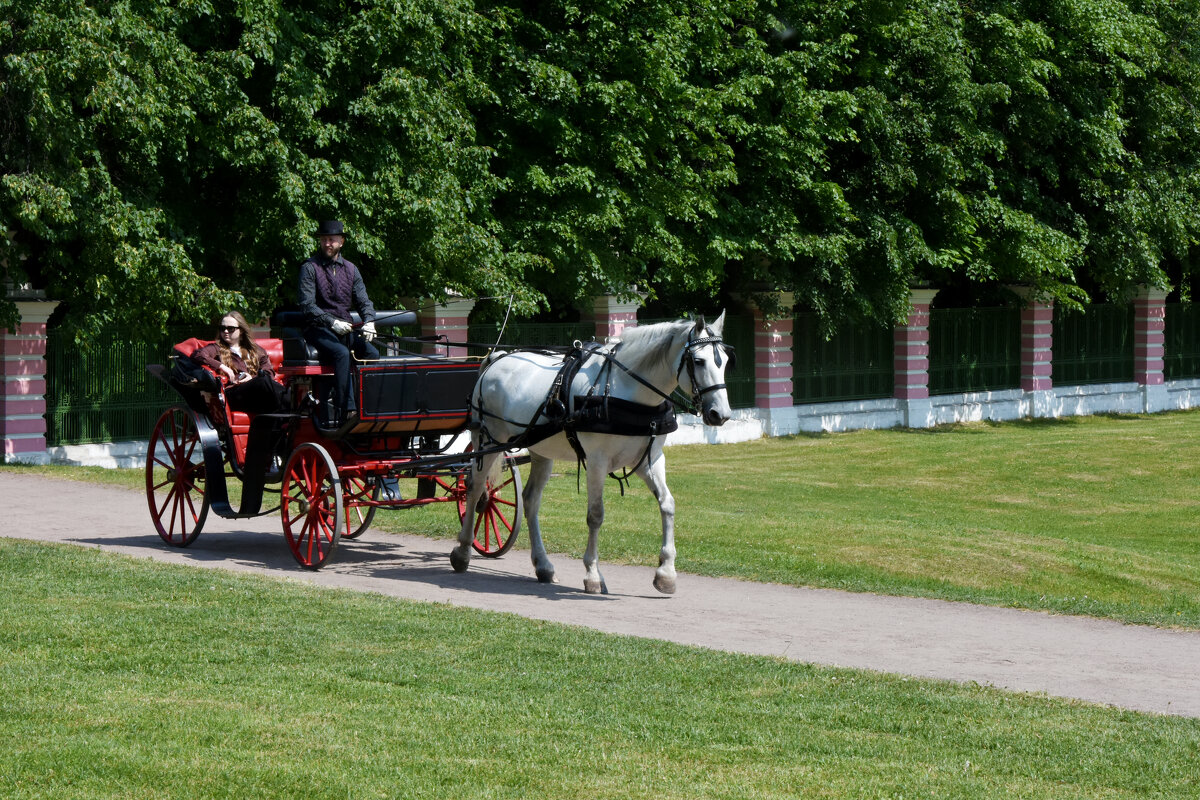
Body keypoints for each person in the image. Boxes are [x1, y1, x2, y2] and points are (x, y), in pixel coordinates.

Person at [297, 219, 379, 425]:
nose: (327, 244)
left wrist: (369, 321)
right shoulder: (309, 268)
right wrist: (331, 322)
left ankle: (369, 405)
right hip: (317, 328)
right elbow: (307, 305)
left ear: (341, 242)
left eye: (331, 240)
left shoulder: (351, 270)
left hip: (345, 328)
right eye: (324, 240)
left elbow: (364, 301)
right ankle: (347, 410)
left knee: (372, 353)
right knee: (342, 354)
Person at [192, 311, 289, 414]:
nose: (225, 331)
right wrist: (222, 367)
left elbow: (269, 372)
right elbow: (198, 355)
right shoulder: (216, 348)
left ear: (241, 330)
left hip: (257, 393)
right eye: (222, 328)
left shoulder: (256, 350)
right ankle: (292, 406)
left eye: (230, 329)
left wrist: (251, 378)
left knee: (265, 380)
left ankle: (290, 409)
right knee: (263, 381)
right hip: (233, 394)